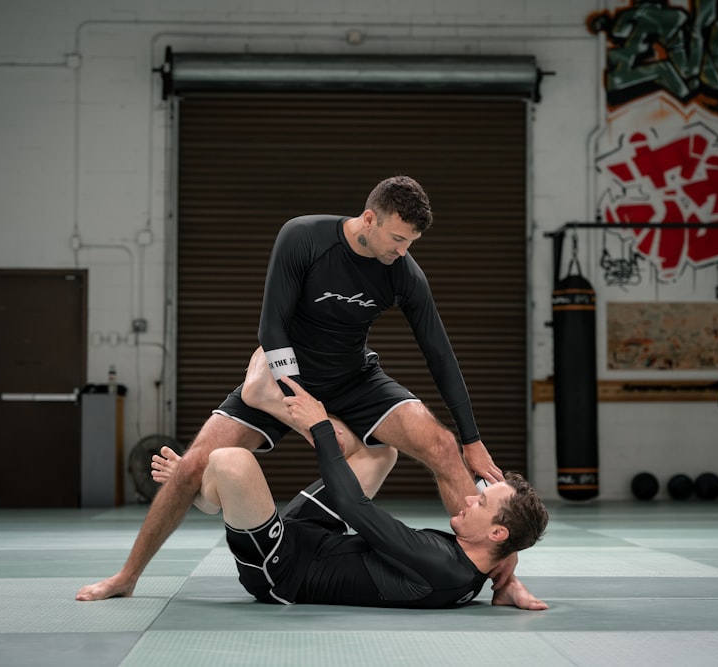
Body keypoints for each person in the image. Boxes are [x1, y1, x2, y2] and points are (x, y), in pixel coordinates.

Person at [77, 175, 536, 607]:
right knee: (194, 464)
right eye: (398, 239)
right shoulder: (304, 238)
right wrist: (296, 400)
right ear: (370, 218)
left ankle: (500, 579)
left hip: (355, 377)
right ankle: (128, 576)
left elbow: (440, 355)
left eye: (412, 243)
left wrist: (473, 442)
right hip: (286, 370)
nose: (403, 250)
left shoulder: (402, 273)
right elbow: (271, 326)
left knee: (440, 444)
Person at [154, 375, 549, 608]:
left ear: (498, 534)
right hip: (317, 539)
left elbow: (352, 506)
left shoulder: (441, 565)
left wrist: (319, 425)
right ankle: (265, 412)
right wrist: (507, 586)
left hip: (281, 570)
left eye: (480, 502)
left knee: (230, 460)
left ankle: (202, 493)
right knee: (381, 453)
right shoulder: (475, 568)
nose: (467, 498)